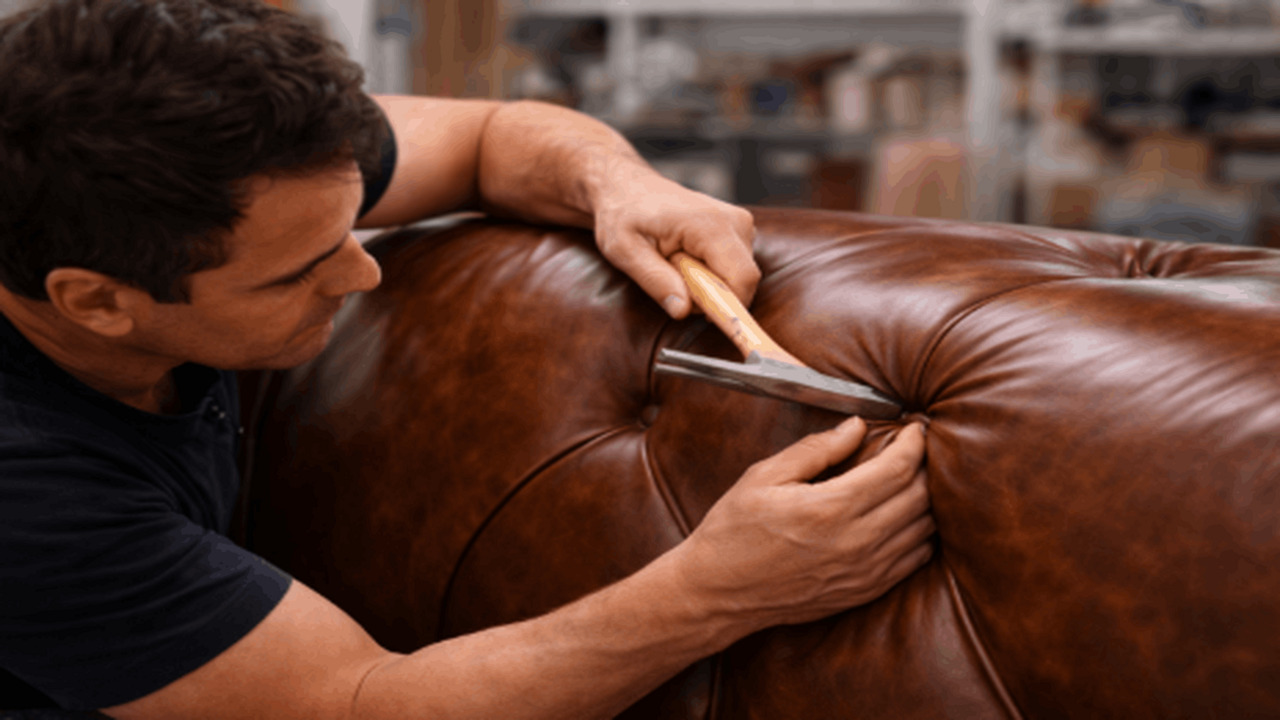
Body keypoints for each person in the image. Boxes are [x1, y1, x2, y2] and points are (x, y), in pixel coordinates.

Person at [0, 0, 936, 717]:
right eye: (295, 275)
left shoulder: (217, 179)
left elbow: (493, 136)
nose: (361, 272)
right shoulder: (30, 496)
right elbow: (361, 703)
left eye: (351, 223)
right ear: (96, 301)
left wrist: (622, 185)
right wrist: (715, 593)